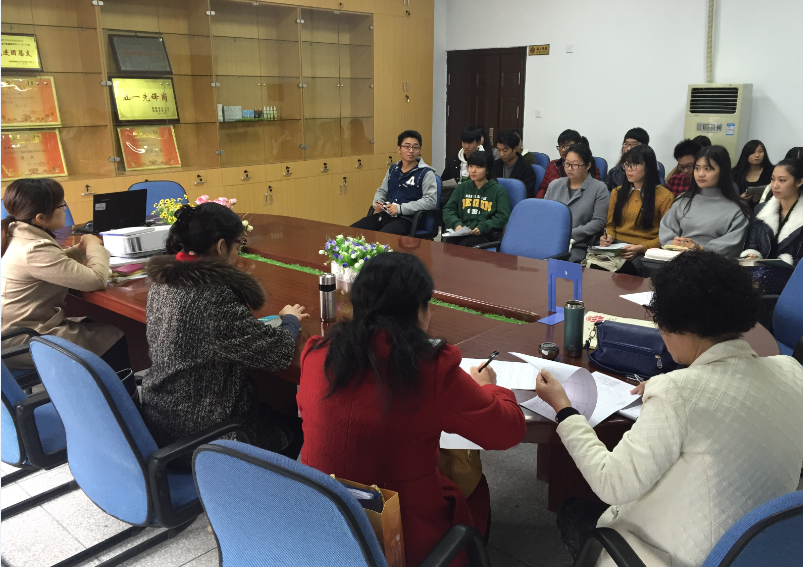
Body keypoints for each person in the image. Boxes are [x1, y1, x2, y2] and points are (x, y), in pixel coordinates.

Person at [537, 250, 803, 566]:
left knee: (573, 511)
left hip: (683, 556)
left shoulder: (676, 393)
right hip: (759, 546)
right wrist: (679, 382)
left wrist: (565, 410)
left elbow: (611, 484)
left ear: (680, 326)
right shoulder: (790, 370)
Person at [298, 252, 526, 567]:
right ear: (419, 310)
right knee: (475, 489)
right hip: (401, 537)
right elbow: (507, 431)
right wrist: (489, 387)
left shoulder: (316, 354)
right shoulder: (429, 369)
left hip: (323, 522)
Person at [141, 202, 308, 467]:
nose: (238, 253)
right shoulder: (211, 296)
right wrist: (291, 321)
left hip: (162, 414)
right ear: (220, 246)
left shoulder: (164, 279)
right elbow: (278, 354)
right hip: (205, 433)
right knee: (302, 433)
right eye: (238, 245)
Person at [0, 178, 130, 372]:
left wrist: (80, 250)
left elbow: (53, 264)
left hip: (15, 331)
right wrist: (94, 246)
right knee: (112, 337)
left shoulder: (16, 234)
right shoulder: (34, 249)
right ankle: (114, 392)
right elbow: (96, 279)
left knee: (92, 326)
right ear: (40, 218)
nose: (64, 210)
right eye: (61, 206)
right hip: (21, 340)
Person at [659, 145, 751, 256]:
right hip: (679, 257)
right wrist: (674, 243)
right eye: (697, 168)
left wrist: (699, 248)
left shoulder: (737, 208)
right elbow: (666, 231)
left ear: (722, 171)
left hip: (716, 261)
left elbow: (732, 246)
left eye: (707, 169)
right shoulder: (683, 200)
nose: (700, 174)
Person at [598, 145, 674, 275]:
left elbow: (666, 237)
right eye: (626, 165)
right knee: (592, 265)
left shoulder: (665, 197)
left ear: (648, 167)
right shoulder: (617, 192)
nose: (628, 169)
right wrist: (608, 236)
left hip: (644, 250)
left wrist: (641, 248)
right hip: (617, 246)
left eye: (634, 165)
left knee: (622, 270)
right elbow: (610, 225)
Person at [350, 130, 436, 236]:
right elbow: (382, 191)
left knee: (381, 238)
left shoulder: (426, 173)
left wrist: (400, 209)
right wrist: (378, 202)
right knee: (352, 231)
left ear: (420, 151)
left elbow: (430, 201)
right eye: (407, 146)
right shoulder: (393, 169)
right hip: (386, 215)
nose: (411, 151)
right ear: (399, 149)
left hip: (408, 219)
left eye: (415, 147)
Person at [742, 158, 803, 267]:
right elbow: (752, 244)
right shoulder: (761, 209)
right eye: (772, 179)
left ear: (799, 182)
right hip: (761, 272)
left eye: (782, 180)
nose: (775, 185)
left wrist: (788, 263)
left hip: (793, 274)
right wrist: (753, 254)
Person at [544, 143, 610, 262]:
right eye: (567, 163)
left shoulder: (599, 188)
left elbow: (599, 221)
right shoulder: (555, 185)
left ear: (588, 165)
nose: (569, 168)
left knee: (559, 262)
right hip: (550, 239)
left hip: (579, 244)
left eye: (575, 165)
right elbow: (545, 214)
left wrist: (568, 233)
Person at [442, 151, 511, 247]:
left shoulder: (498, 191)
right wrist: (456, 224)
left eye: (478, 167)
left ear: (487, 170)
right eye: (471, 166)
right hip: (462, 232)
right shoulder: (462, 187)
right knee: (448, 246)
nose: (473, 170)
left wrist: (484, 226)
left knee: (464, 245)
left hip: (486, 234)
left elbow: (503, 216)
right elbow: (448, 209)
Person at [535, 129, 600, 198]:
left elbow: (593, 193)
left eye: (567, 145)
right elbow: (543, 189)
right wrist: (539, 203)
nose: (562, 150)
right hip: (552, 202)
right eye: (560, 146)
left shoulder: (587, 167)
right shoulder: (553, 165)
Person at [440, 126, 487, 207]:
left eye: (470, 143)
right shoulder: (455, 161)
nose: (466, 146)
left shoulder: (485, 160)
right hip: (456, 197)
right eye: (464, 142)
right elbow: (444, 180)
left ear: (478, 142)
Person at [492, 130, 537, 198]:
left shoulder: (526, 169)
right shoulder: (495, 165)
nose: (501, 154)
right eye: (499, 150)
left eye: (505, 150)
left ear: (515, 148)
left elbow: (526, 195)